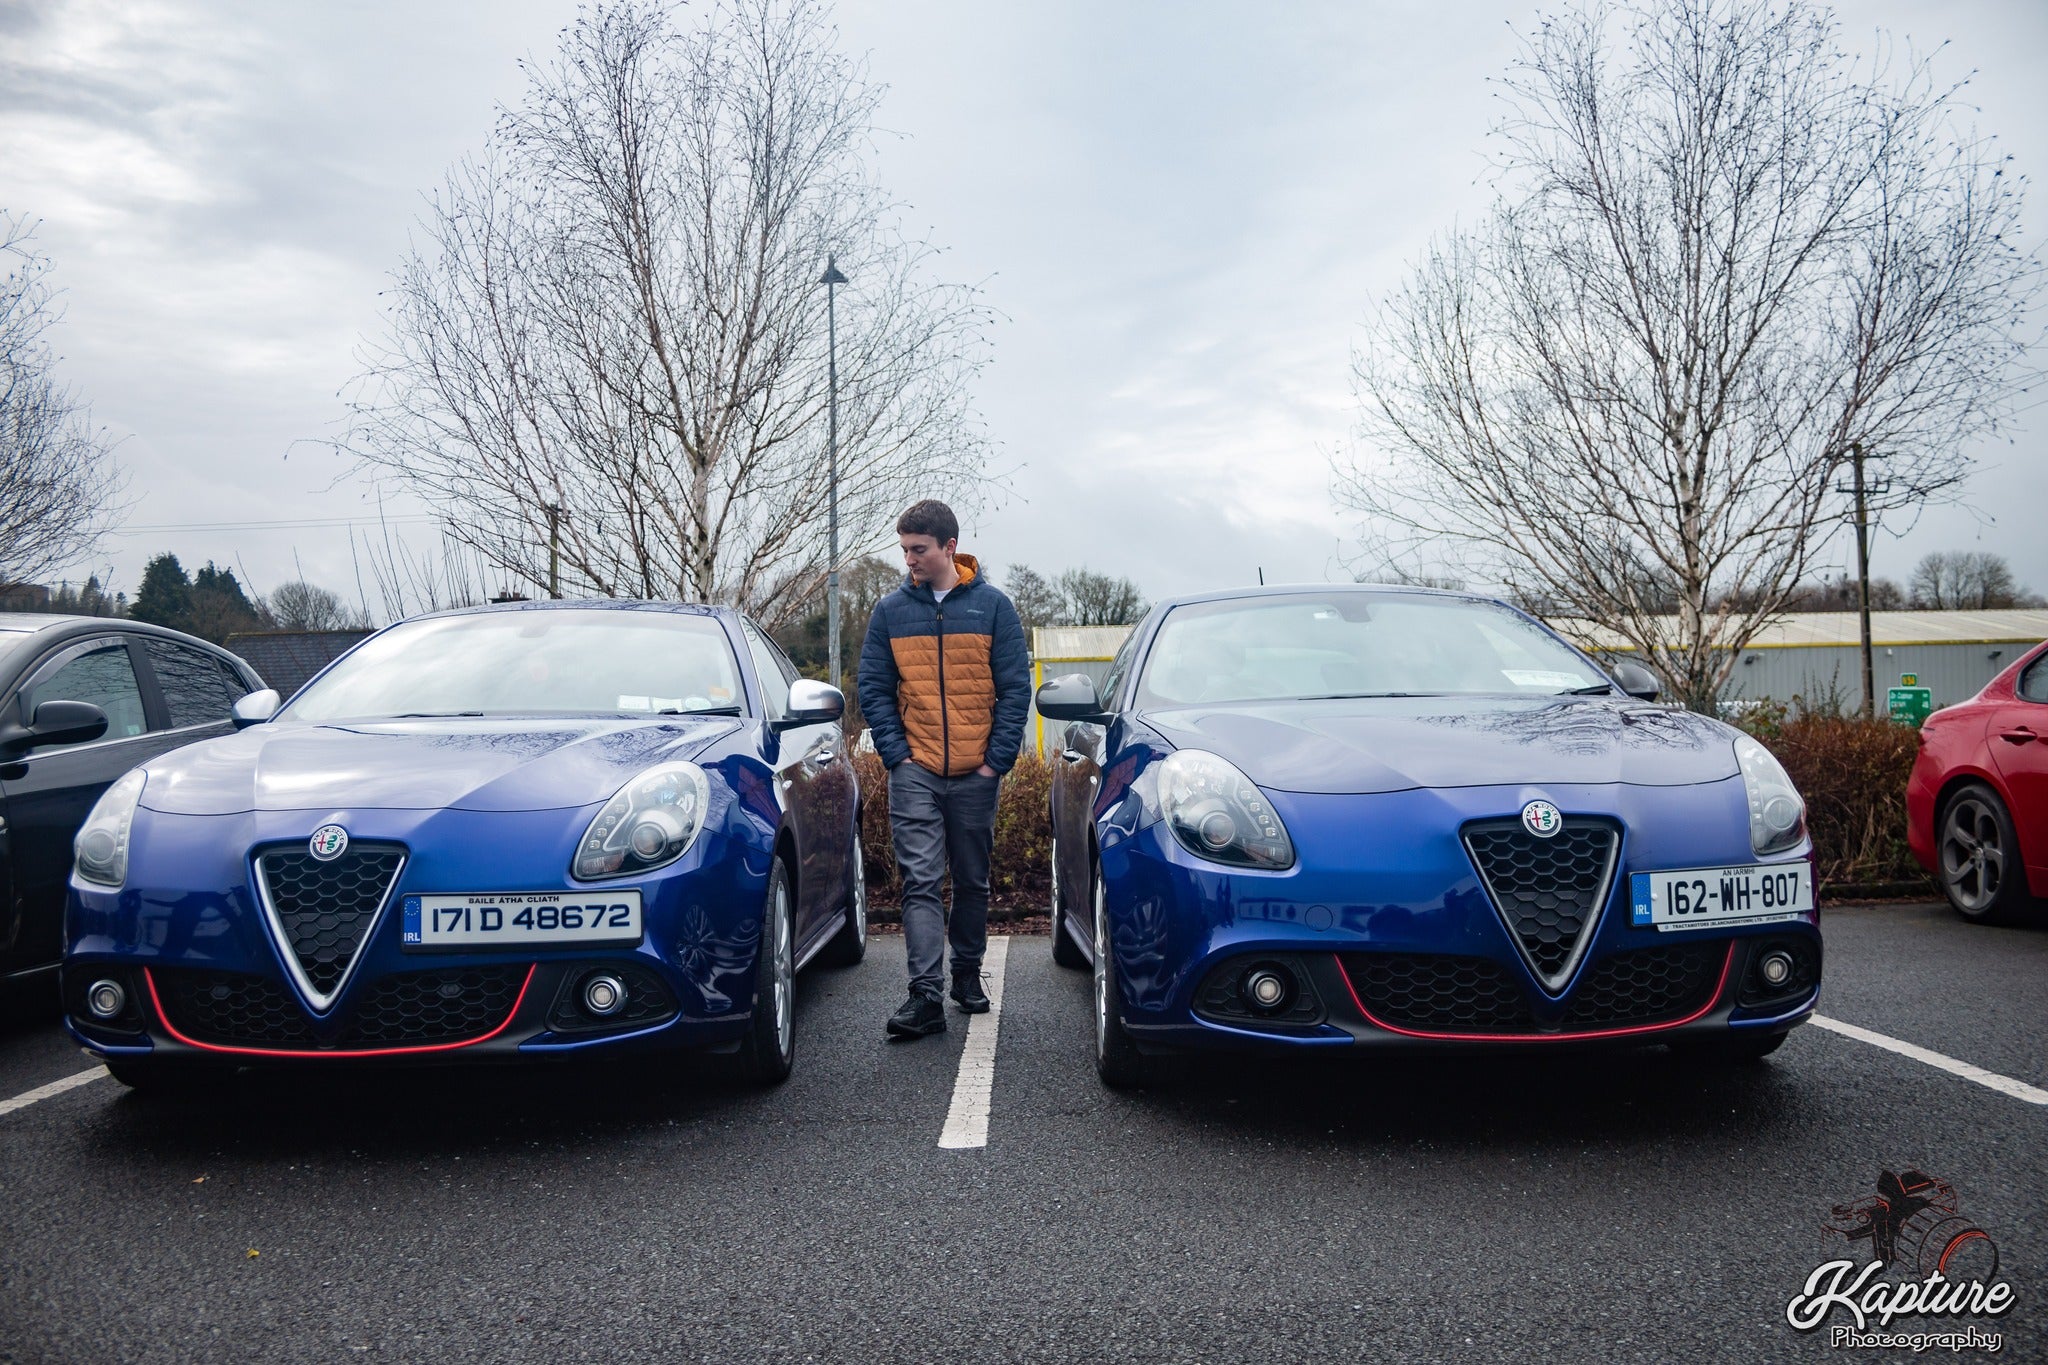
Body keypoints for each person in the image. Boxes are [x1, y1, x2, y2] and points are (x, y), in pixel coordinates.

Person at [858, 499, 1030, 1038]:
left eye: (918, 549)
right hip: (917, 771)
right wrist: (898, 756)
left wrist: (994, 763)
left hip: (976, 772)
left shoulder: (994, 608)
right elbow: (874, 689)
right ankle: (925, 995)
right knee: (921, 881)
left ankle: (966, 975)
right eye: (904, 548)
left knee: (973, 880)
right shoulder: (889, 612)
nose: (908, 558)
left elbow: (1015, 690)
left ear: (949, 548)